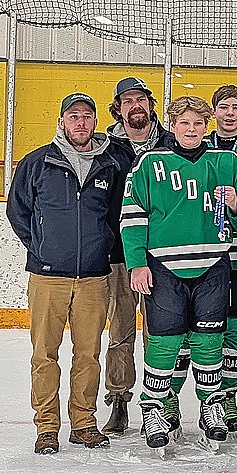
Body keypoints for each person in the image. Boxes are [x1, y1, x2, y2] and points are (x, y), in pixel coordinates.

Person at [121, 96, 237, 453]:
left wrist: (236, 203)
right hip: (164, 268)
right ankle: (154, 407)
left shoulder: (227, 161)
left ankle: (211, 405)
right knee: (165, 342)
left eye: (198, 123)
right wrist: (136, 263)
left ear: (207, 126)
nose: (191, 129)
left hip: (213, 265)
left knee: (209, 341)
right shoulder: (150, 162)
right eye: (184, 123)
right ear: (173, 125)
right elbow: (132, 214)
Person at [7, 93, 128, 454]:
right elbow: (18, 211)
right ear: (61, 122)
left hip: (93, 277)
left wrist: (101, 248)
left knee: (88, 355)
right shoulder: (37, 162)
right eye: (73, 116)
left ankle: (84, 423)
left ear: (95, 122)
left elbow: (116, 216)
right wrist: (43, 248)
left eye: (86, 116)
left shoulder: (109, 165)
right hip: (48, 277)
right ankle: (47, 427)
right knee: (44, 355)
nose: (80, 122)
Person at [168, 85, 237, 436]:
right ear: (213, 113)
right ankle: (170, 399)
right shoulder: (197, 150)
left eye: (236, 107)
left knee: (234, 329)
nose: (230, 113)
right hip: (199, 258)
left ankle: (227, 397)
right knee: (187, 332)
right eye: (223, 107)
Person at [102, 76, 171, 435]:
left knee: (158, 332)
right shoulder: (106, 149)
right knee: (121, 330)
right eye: (127, 101)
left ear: (150, 104)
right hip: (119, 255)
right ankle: (119, 398)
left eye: (141, 99)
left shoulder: (171, 144)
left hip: (162, 255)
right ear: (118, 108)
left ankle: (157, 402)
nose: (135, 106)